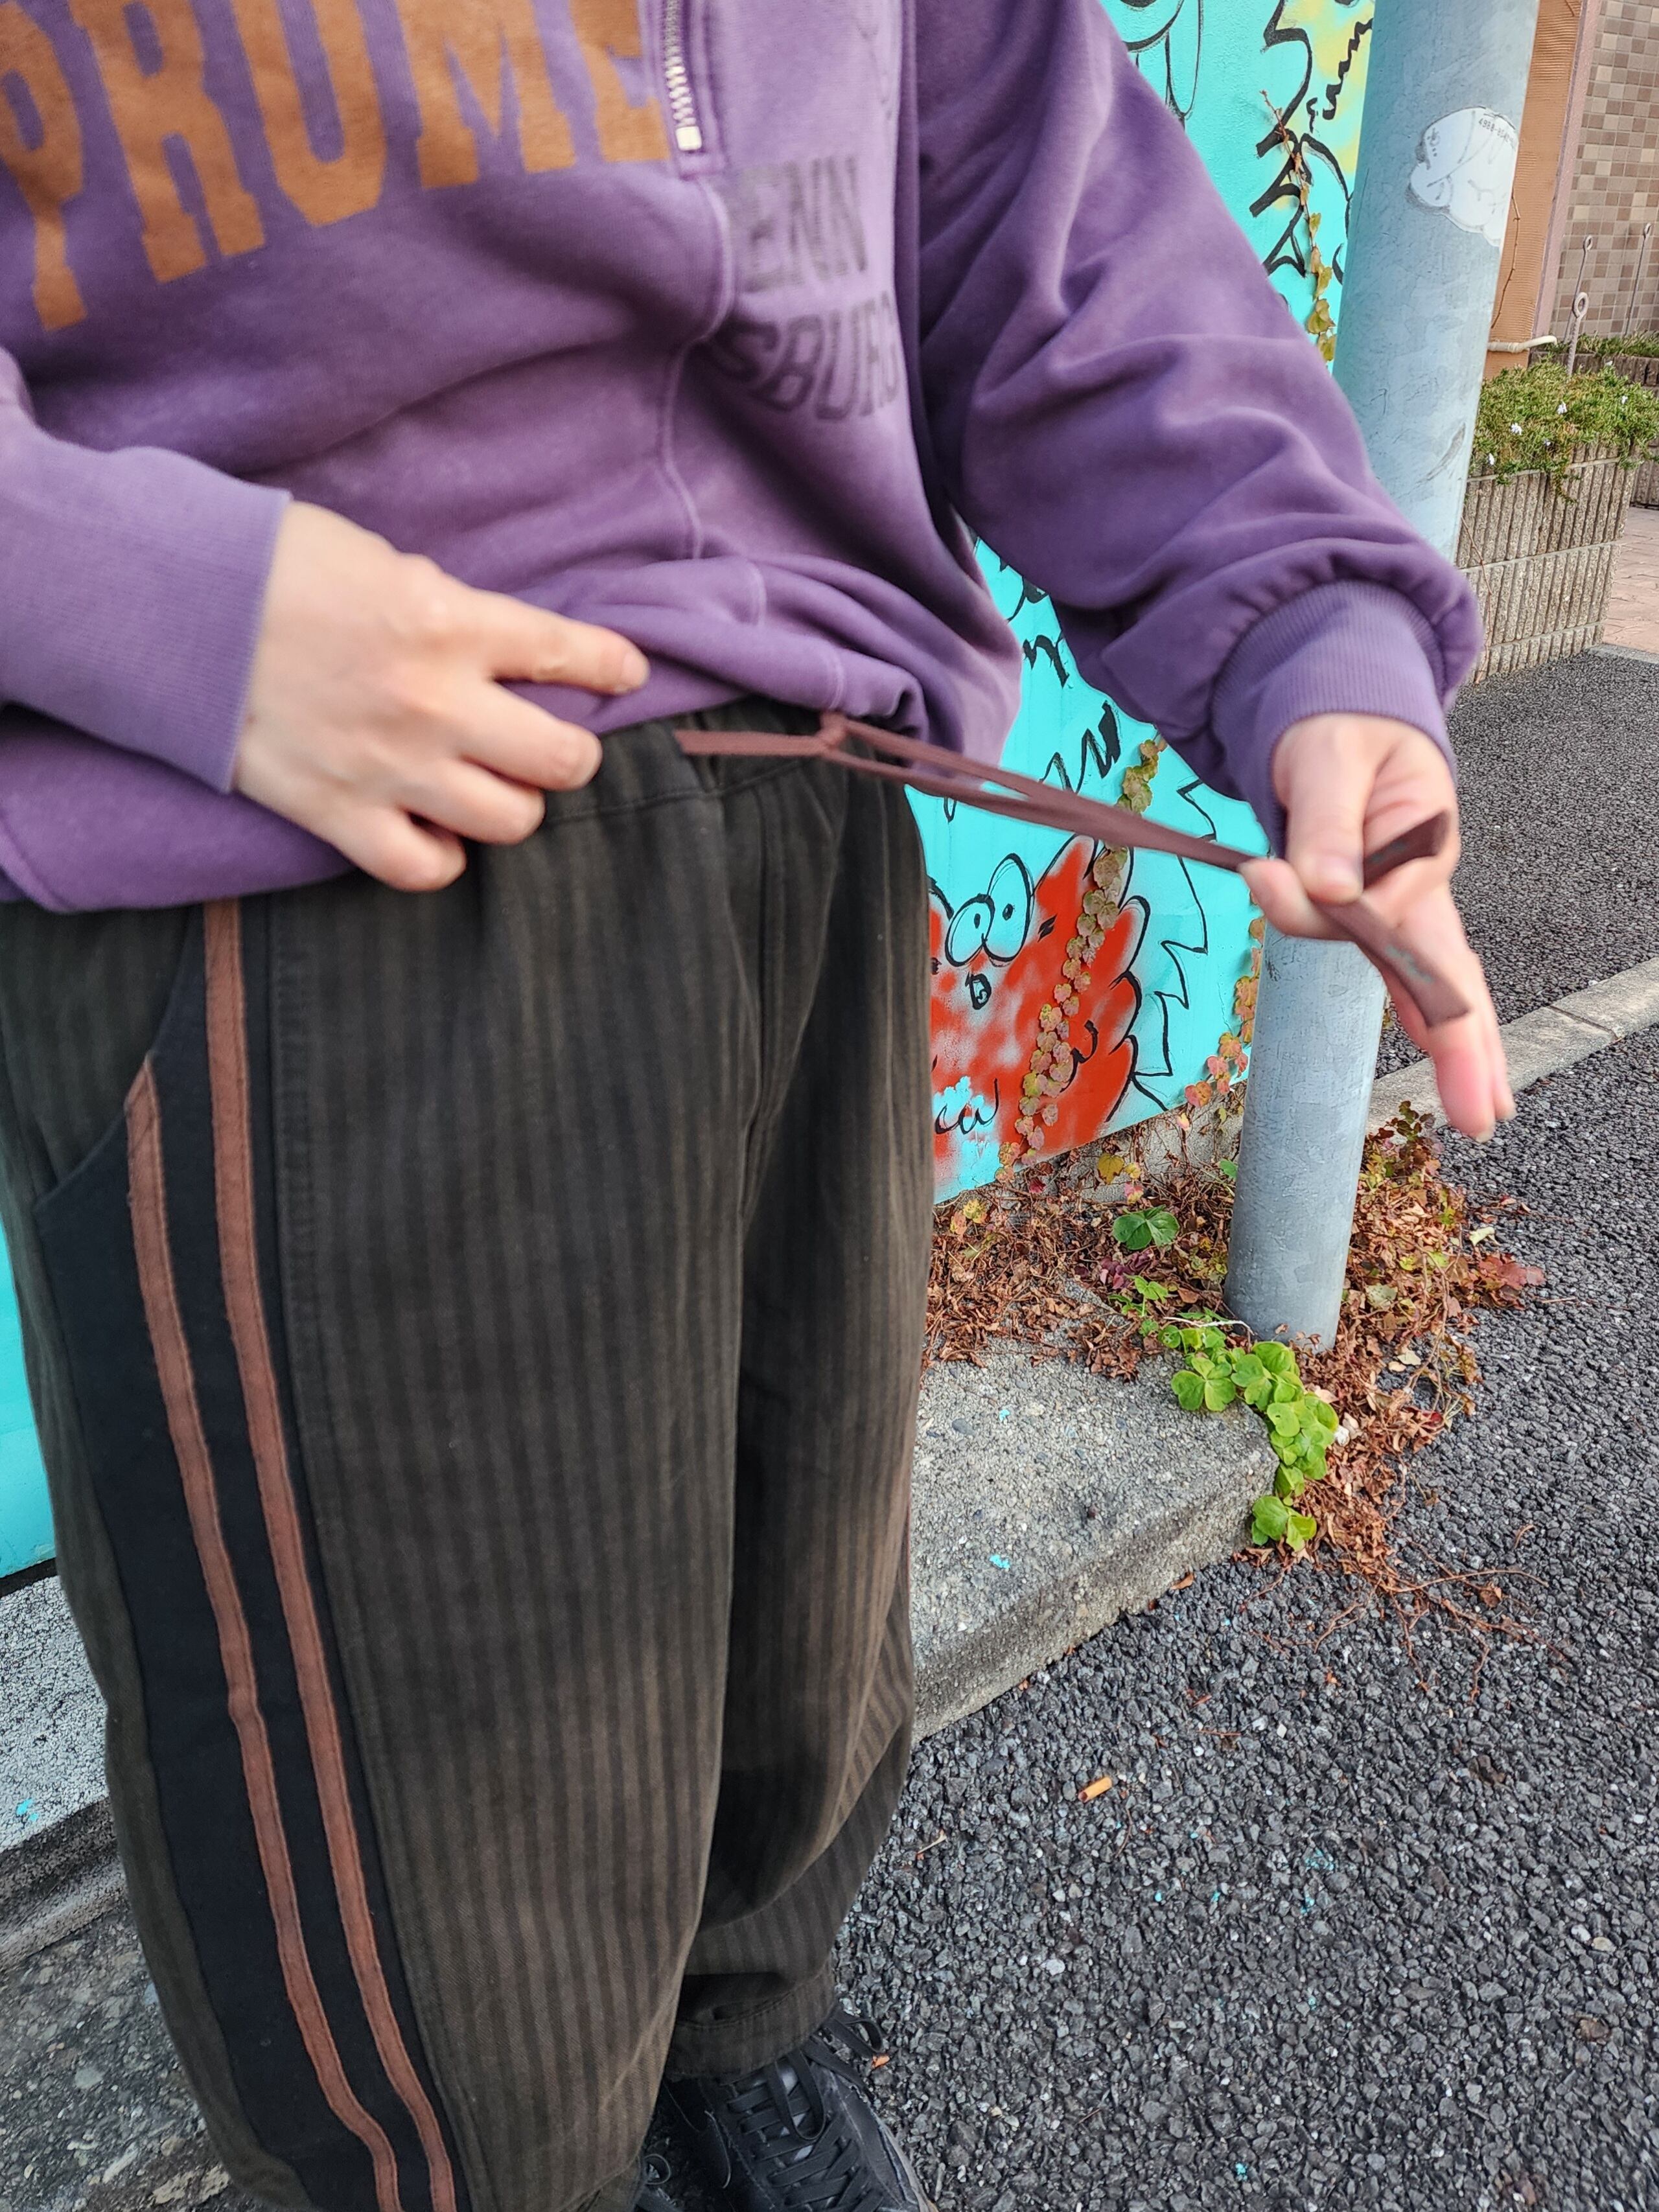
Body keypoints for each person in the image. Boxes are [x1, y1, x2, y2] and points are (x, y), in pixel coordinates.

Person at [0, 0, 1511, 2207]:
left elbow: (1024, 182)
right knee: (441, 1921)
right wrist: (148, 602)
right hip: (306, 854)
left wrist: (1307, 639)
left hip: (811, 797)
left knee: (791, 1645)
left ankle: (742, 2056)